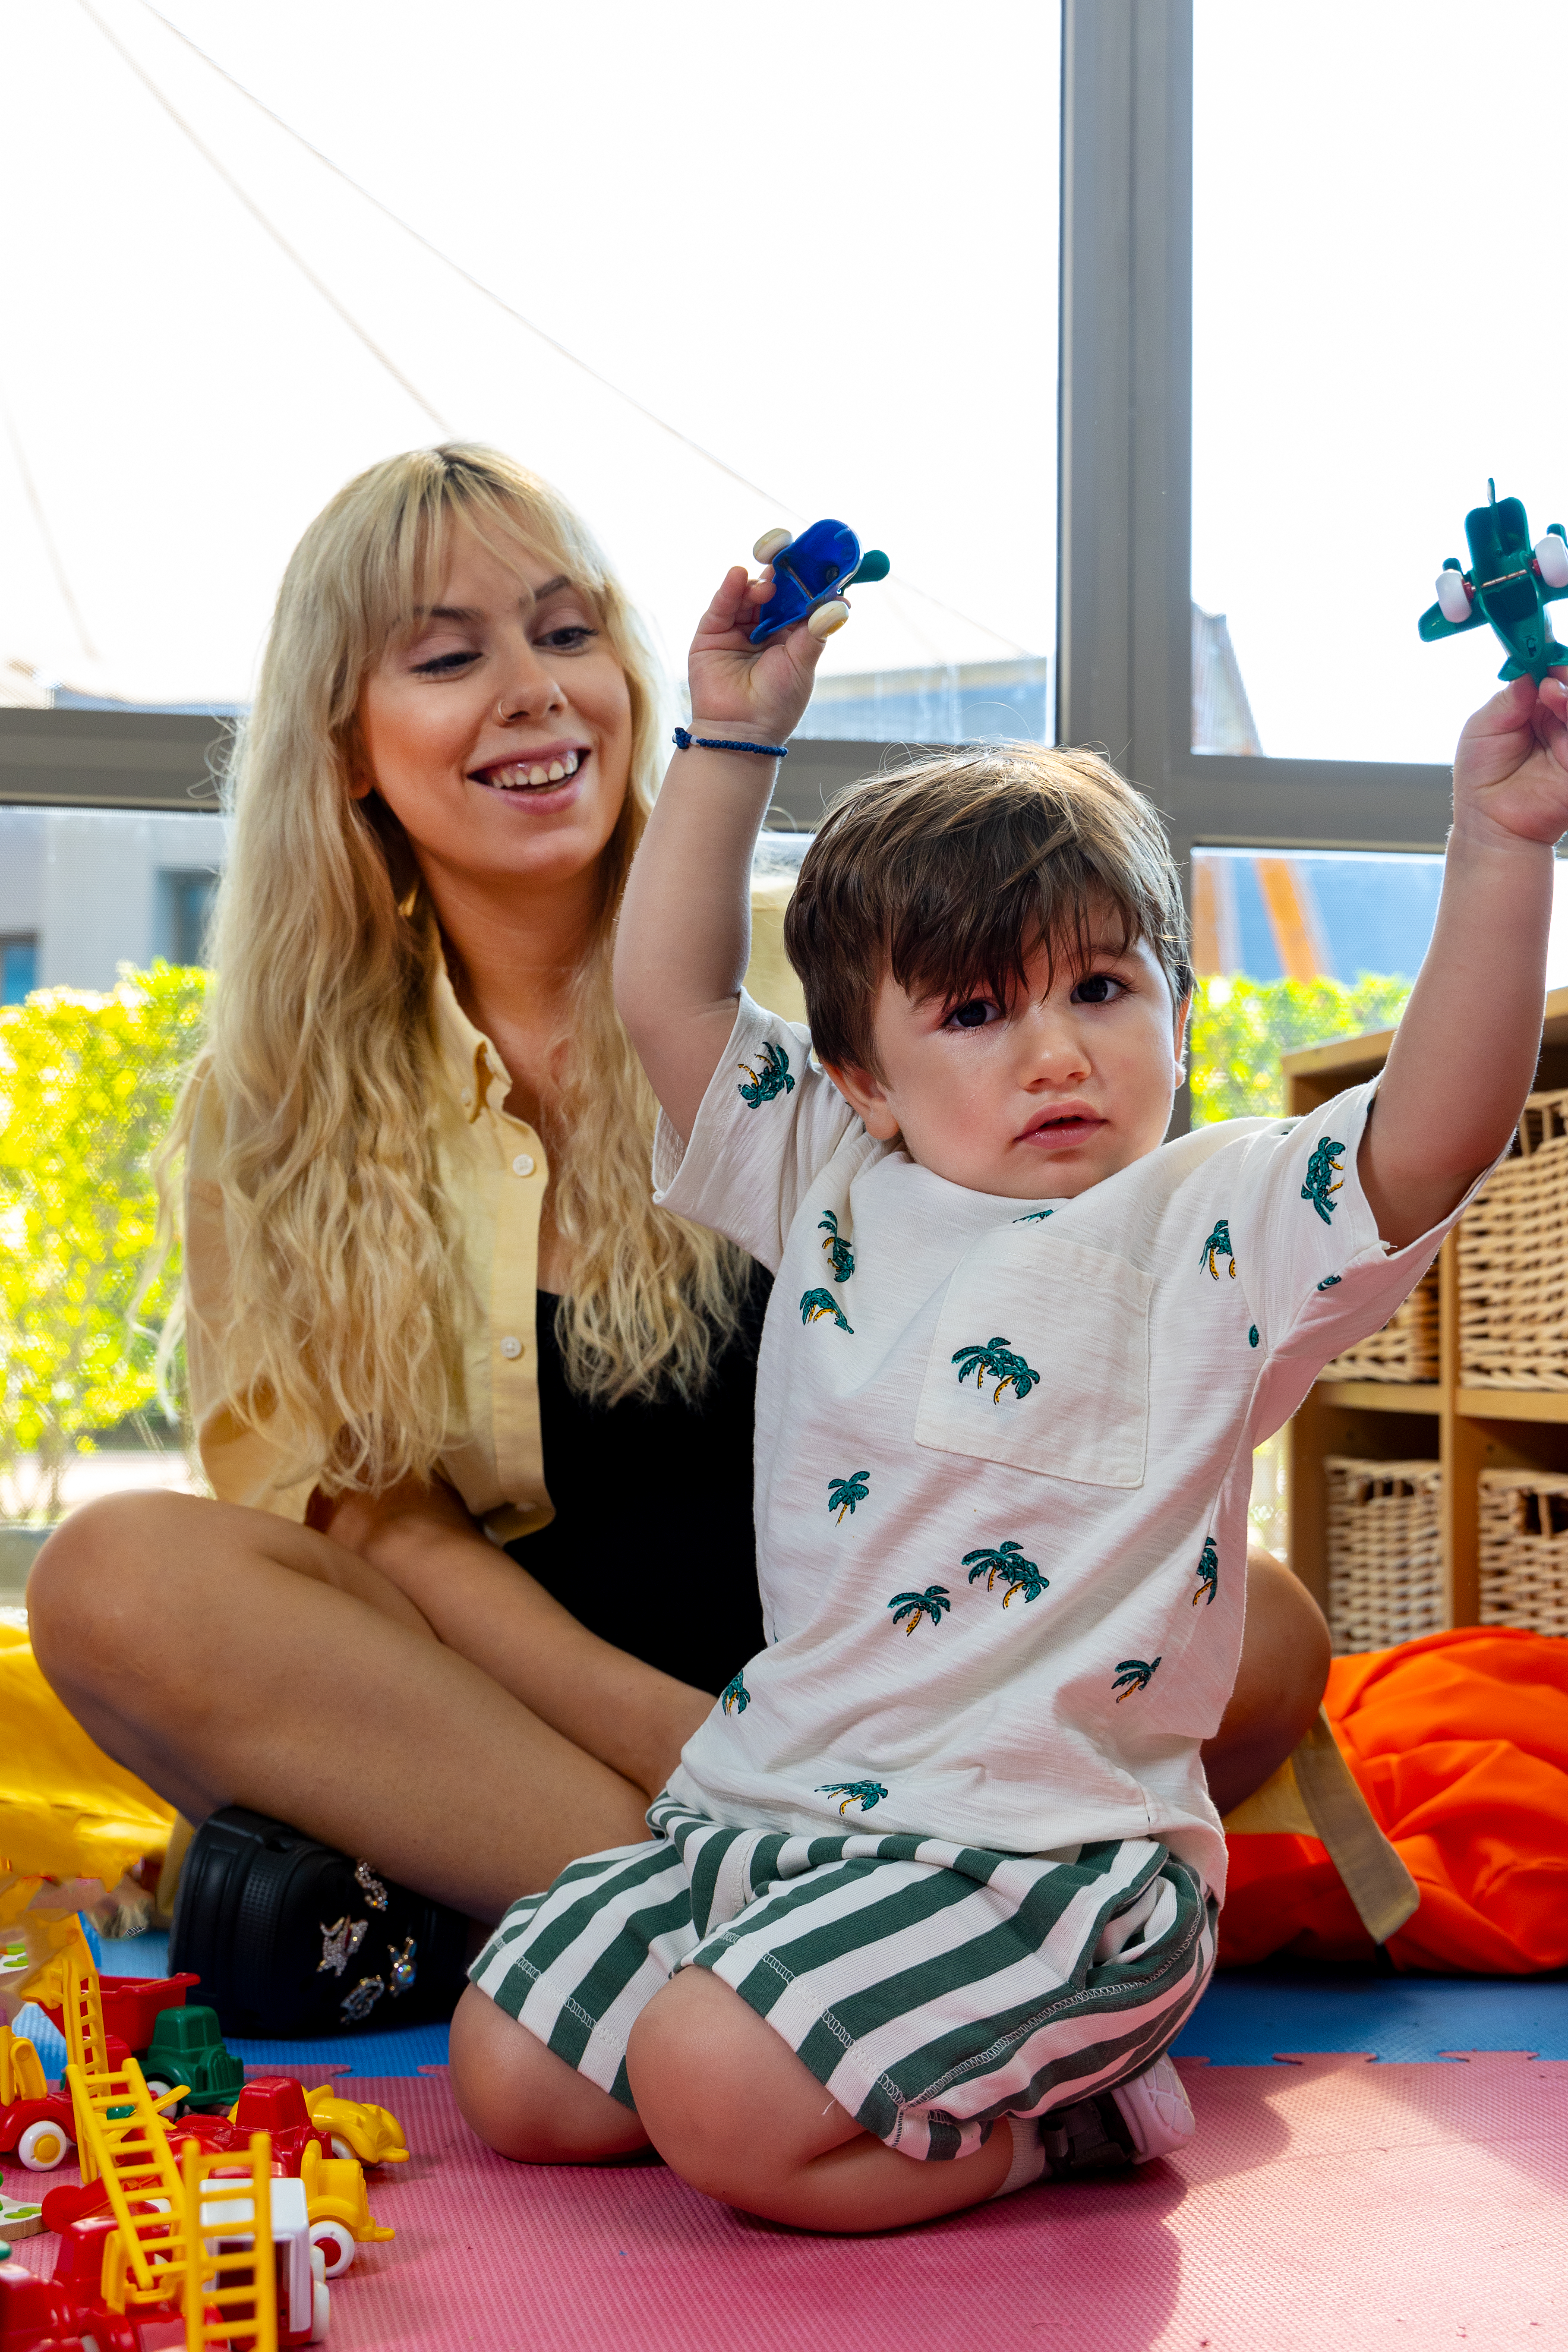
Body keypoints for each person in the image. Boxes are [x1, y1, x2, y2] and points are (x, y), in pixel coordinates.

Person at [25, 450, 1322, 1971]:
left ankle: (538, 1923)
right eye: (450, 657)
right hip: (536, 1711)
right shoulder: (266, 1104)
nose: (534, 691)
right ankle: (782, 1913)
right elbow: (380, 1528)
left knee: (1270, 1629)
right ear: (350, 745)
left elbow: (1080, 1272)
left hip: (898, 1673)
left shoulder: (817, 973)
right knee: (114, 1584)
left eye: (568, 635)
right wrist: (699, 1755)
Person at [451, 552, 1568, 2233]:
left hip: (1052, 1867)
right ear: (861, 1073)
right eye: (975, 1012)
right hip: (770, 1810)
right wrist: (729, 742)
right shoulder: (822, 1167)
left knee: (715, 2093)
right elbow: (669, 996)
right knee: (513, 2075)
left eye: (1102, 990)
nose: (1054, 1051)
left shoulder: (1216, 1222)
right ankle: (869, 2065)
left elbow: (1432, 1134)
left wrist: (1501, 847)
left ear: (1179, 1012)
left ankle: (1081, 2118)